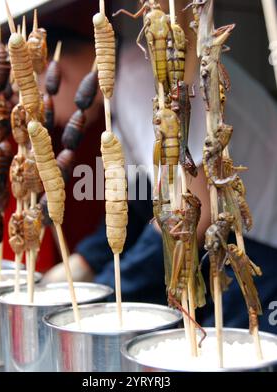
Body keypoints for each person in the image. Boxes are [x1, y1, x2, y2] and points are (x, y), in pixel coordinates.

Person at [43, 2, 277, 333]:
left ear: (54, 71)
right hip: (225, 242)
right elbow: (144, 202)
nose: (46, 114)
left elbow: (193, 210)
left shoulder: (143, 78)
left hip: (260, 246)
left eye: (41, 95)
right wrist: (86, 263)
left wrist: (112, 295)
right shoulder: (121, 92)